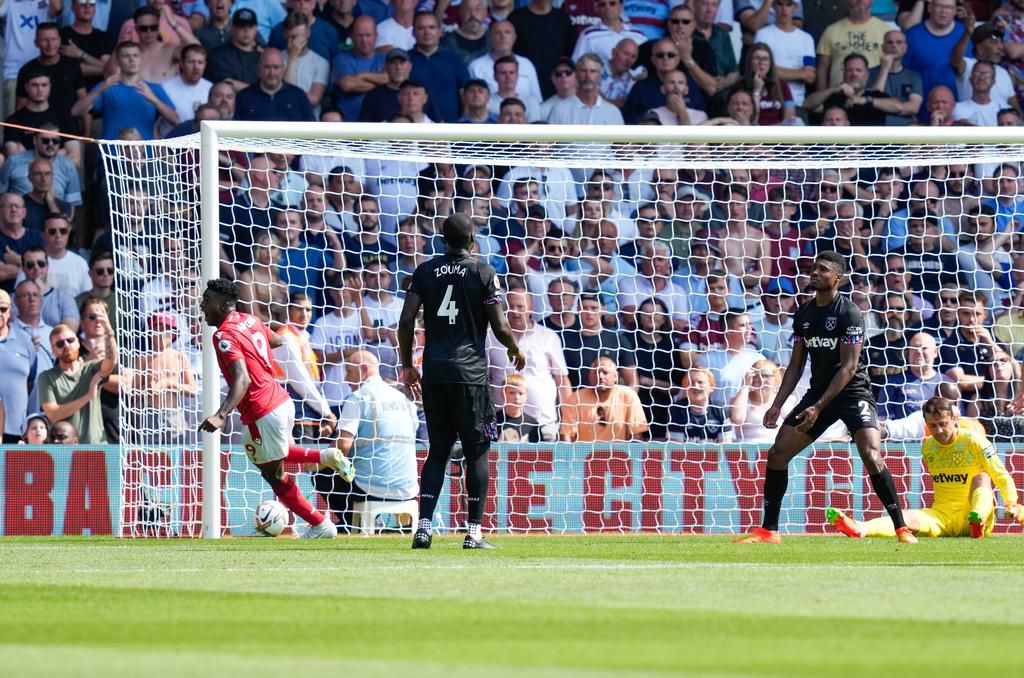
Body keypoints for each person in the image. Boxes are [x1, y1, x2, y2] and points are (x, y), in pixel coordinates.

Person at [734, 251, 916, 544]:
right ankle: (769, 530)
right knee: (778, 453)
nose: (815, 273)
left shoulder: (850, 313)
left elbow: (849, 367)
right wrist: (777, 404)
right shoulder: (804, 314)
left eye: (822, 269)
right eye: (813, 268)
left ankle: (901, 528)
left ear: (838, 278)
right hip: (818, 394)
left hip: (852, 392)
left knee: (870, 454)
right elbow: (795, 365)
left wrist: (819, 407)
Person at [397, 213, 526, 550]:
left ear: (442, 240)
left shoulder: (424, 271)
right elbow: (499, 325)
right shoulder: (483, 272)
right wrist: (514, 347)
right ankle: (473, 533)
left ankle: (423, 528)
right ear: (472, 239)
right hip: (469, 374)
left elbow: (406, 320)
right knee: (477, 450)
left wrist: (408, 364)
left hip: (435, 371)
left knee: (437, 449)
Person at [197, 278, 352, 539]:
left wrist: (220, 414)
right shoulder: (250, 320)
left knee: (274, 475)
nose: (202, 305)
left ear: (224, 304)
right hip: (281, 400)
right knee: (267, 455)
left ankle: (320, 525)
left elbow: (242, 379)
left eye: (207, 300)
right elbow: (280, 340)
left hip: (262, 409)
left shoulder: (223, 335)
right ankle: (325, 457)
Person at [827, 396, 1024, 539]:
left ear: (954, 420)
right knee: (904, 517)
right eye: (933, 425)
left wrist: (1010, 502)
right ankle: (860, 528)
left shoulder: (975, 441)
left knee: (982, 477)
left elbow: (1001, 475)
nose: (938, 431)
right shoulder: (928, 446)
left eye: (943, 424)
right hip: (942, 516)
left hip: (977, 513)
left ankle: (977, 521)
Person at [320, 349, 419, 531]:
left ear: (363, 370)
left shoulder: (358, 397)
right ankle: (396, 526)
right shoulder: (404, 400)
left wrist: (318, 460)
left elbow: (342, 446)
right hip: (408, 487)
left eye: (348, 371)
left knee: (322, 473)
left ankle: (351, 523)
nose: (345, 378)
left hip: (370, 486)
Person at [37, 320, 116, 444]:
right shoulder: (46, 377)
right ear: (53, 350)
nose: (66, 346)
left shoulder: (91, 369)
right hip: (66, 452)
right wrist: (88, 396)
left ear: (78, 342)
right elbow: (53, 414)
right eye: (60, 344)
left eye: (70, 340)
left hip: (97, 449)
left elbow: (111, 363)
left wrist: (109, 333)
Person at [560, 356, 648, 443]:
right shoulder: (576, 398)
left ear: (616, 376)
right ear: (589, 376)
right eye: (596, 372)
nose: (600, 376)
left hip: (619, 454)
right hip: (583, 454)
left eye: (605, 372)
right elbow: (567, 436)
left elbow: (636, 436)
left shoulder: (628, 396)